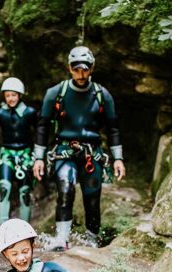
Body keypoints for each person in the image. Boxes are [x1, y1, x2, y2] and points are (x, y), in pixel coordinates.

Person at [33, 45, 126, 250]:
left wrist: (118, 158)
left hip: (92, 154)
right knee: (65, 189)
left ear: (92, 68)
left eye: (85, 69)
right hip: (64, 152)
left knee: (92, 197)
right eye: (76, 69)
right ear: (69, 68)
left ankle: (91, 240)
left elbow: (113, 128)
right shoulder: (56, 93)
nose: (80, 74)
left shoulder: (102, 94)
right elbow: (42, 125)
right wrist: (38, 158)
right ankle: (62, 238)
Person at [0, 77, 38, 225]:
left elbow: (40, 133)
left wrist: (36, 154)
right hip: (6, 155)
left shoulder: (30, 113)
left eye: (13, 95)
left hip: (25, 155)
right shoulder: (0, 113)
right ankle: (2, 229)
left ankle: (26, 229)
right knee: (4, 188)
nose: (10, 98)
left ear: (20, 95)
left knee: (25, 193)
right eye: (7, 95)